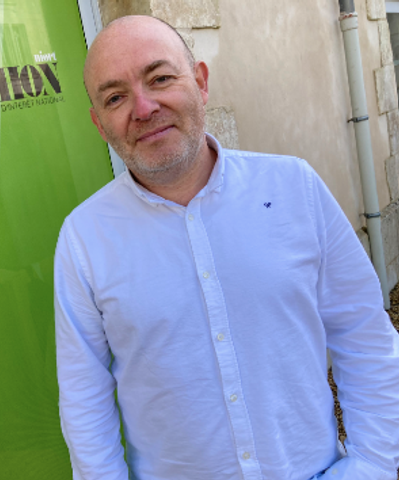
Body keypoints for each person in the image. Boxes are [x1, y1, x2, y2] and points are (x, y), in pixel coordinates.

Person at [53, 14, 399, 480]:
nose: (144, 107)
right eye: (115, 97)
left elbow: (363, 336)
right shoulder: (84, 238)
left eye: (160, 78)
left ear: (200, 82)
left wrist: (372, 465)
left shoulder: (293, 186)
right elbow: (84, 400)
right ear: (100, 124)